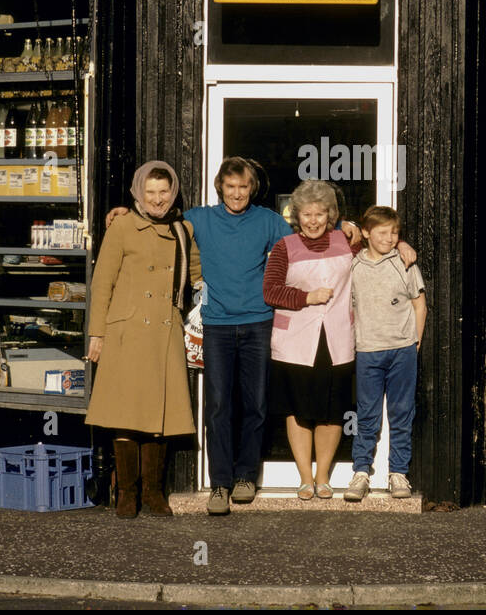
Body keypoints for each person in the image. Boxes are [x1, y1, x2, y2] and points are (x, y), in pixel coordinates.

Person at [106, 157, 415, 514]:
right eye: (231, 186)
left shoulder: (271, 222)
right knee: (220, 405)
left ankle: (246, 478)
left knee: (256, 406)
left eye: (244, 186)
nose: (237, 193)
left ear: (252, 189)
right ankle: (220, 483)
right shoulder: (199, 219)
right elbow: (160, 221)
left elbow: (324, 230)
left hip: (260, 325)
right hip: (218, 323)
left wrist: (382, 239)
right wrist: (124, 213)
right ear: (220, 186)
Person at [86, 161, 201, 517]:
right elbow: (102, 282)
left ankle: (154, 492)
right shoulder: (121, 225)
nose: (157, 199)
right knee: (125, 413)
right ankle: (127, 493)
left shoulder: (184, 228)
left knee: (159, 415)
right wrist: (96, 334)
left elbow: (197, 273)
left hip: (165, 330)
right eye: (150, 192)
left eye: (163, 192)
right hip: (126, 331)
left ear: (173, 192)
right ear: (139, 193)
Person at [262, 179, 357, 500]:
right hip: (295, 342)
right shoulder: (285, 246)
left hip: (338, 338)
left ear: (331, 215)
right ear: (296, 215)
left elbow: (380, 243)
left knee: (332, 410)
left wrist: (400, 244)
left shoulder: (348, 242)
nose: (313, 220)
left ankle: (323, 476)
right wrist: (307, 297)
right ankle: (304, 477)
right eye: (306, 214)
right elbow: (270, 291)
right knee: (299, 409)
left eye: (320, 213)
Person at [345, 205, 426, 501]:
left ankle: (398, 473)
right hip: (368, 351)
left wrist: (415, 340)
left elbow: (420, 304)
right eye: (382, 233)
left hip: (402, 350)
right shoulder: (353, 266)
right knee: (367, 415)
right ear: (366, 233)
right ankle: (361, 472)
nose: (389, 239)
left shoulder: (404, 264)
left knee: (402, 413)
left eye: (394, 233)